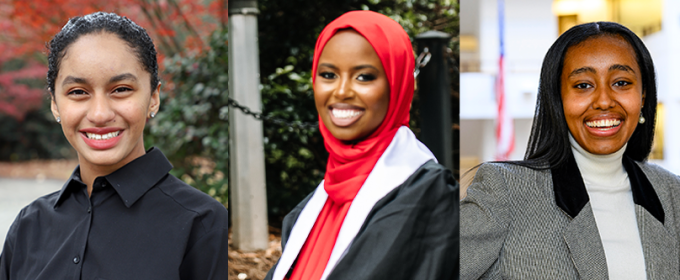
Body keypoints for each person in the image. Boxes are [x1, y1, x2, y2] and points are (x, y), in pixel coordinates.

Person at [0, 12, 228, 279]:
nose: (99, 114)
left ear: (153, 97)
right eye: (78, 92)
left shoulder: (203, 223)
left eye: (120, 89)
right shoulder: (29, 225)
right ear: (54, 104)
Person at [460, 21, 680, 279]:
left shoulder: (672, 194)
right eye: (583, 85)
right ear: (558, 98)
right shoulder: (505, 190)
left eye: (621, 82)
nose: (604, 101)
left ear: (643, 96)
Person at [264, 10, 458, 280]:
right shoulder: (315, 205)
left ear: (397, 84)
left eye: (364, 77)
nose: (341, 91)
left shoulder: (426, 193)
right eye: (329, 75)